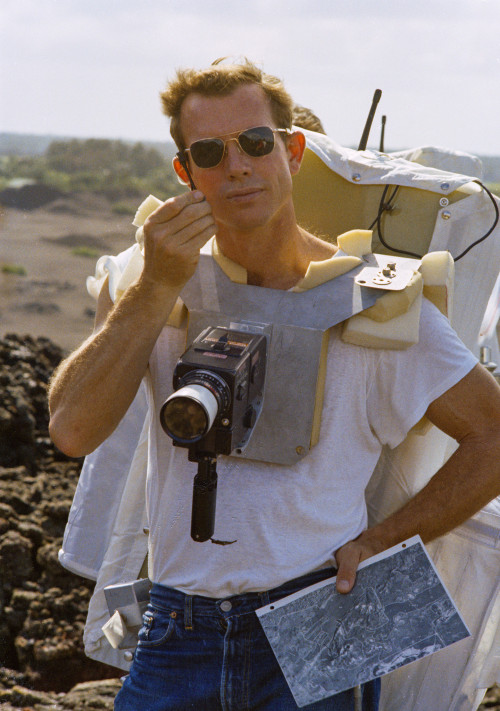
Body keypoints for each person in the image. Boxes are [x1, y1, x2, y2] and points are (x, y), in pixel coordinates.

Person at [48, 59, 500, 711]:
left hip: (324, 612)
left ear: (290, 151)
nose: (236, 166)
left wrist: (386, 539)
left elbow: (492, 434)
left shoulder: (373, 301)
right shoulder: (155, 289)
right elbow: (71, 429)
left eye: (256, 143)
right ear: (186, 172)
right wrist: (153, 284)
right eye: (210, 151)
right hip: (181, 624)